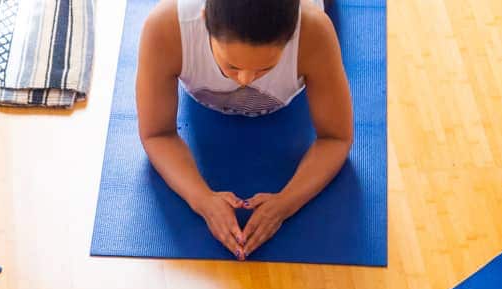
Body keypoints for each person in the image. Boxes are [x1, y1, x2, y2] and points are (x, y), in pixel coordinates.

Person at [135, 0, 354, 259]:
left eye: (265, 68)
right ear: (205, 21)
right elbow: (157, 133)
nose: (246, 80)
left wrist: (285, 204)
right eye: (233, 66)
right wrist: (202, 200)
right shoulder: (165, 29)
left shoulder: (314, 32)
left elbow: (336, 138)